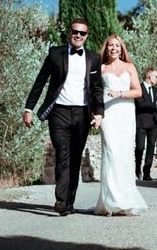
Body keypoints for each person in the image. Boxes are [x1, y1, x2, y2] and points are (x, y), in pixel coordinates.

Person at [23, 19, 104, 216]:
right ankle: (60, 199)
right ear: (70, 33)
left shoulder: (94, 58)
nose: (78, 35)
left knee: (75, 158)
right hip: (58, 111)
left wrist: (99, 113)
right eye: (75, 31)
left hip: (82, 114)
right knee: (62, 154)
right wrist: (28, 108)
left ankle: (69, 202)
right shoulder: (55, 53)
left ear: (87, 36)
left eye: (82, 33)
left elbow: (97, 88)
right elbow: (40, 81)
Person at [95, 34, 148, 216]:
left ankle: (125, 200)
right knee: (110, 152)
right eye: (111, 45)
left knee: (124, 155)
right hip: (108, 115)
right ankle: (109, 202)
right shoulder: (101, 68)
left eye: (117, 45)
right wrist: (96, 114)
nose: (114, 48)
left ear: (121, 48)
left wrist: (120, 93)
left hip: (125, 114)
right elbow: (95, 92)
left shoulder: (129, 67)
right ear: (106, 48)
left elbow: (138, 91)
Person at [135, 68, 157, 181]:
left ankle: (146, 172)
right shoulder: (138, 88)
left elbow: (156, 108)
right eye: (156, 76)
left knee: (150, 148)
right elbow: (141, 105)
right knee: (140, 147)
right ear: (149, 76)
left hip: (153, 123)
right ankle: (137, 168)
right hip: (141, 122)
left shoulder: (155, 90)